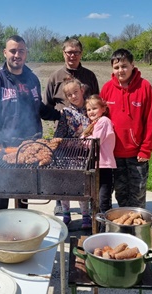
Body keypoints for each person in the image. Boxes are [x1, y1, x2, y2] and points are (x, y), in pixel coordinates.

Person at [0, 35, 60, 211]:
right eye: (13, 51)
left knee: (25, 189)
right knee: (2, 190)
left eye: (21, 51)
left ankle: (22, 223)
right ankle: (0, 225)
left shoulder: (32, 78)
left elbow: (38, 108)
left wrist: (61, 115)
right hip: (6, 146)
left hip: (31, 144)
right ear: (5, 53)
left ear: (26, 54)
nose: (17, 55)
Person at [44, 38, 99, 215]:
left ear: (81, 54)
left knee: (84, 174)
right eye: (69, 52)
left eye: (76, 52)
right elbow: (47, 106)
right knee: (63, 173)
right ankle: (61, 203)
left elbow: (96, 102)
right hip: (64, 135)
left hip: (86, 138)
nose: (72, 55)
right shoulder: (54, 77)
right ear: (63, 53)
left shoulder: (89, 76)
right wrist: (59, 119)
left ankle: (86, 208)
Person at [100, 48, 152, 208]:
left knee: (137, 191)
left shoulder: (144, 87)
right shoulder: (107, 89)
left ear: (133, 65)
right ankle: (125, 224)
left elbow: (151, 120)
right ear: (112, 68)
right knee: (121, 191)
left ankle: (138, 226)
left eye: (124, 66)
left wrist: (146, 149)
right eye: (117, 67)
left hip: (137, 154)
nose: (121, 70)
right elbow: (100, 120)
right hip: (115, 154)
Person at [54, 77, 91, 229]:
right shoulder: (66, 112)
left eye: (76, 92)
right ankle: (66, 213)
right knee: (66, 185)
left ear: (82, 91)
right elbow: (60, 133)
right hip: (68, 155)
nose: (73, 96)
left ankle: (86, 215)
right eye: (69, 95)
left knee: (82, 186)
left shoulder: (90, 108)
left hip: (84, 155)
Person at [81, 95, 116, 231]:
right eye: (88, 109)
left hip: (104, 166)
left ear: (103, 109)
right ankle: (99, 228)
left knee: (103, 200)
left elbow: (93, 142)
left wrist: (83, 138)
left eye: (94, 108)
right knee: (95, 200)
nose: (91, 112)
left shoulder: (104, 121)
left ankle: (106, 229)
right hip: (96, 166)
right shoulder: (94, 124)